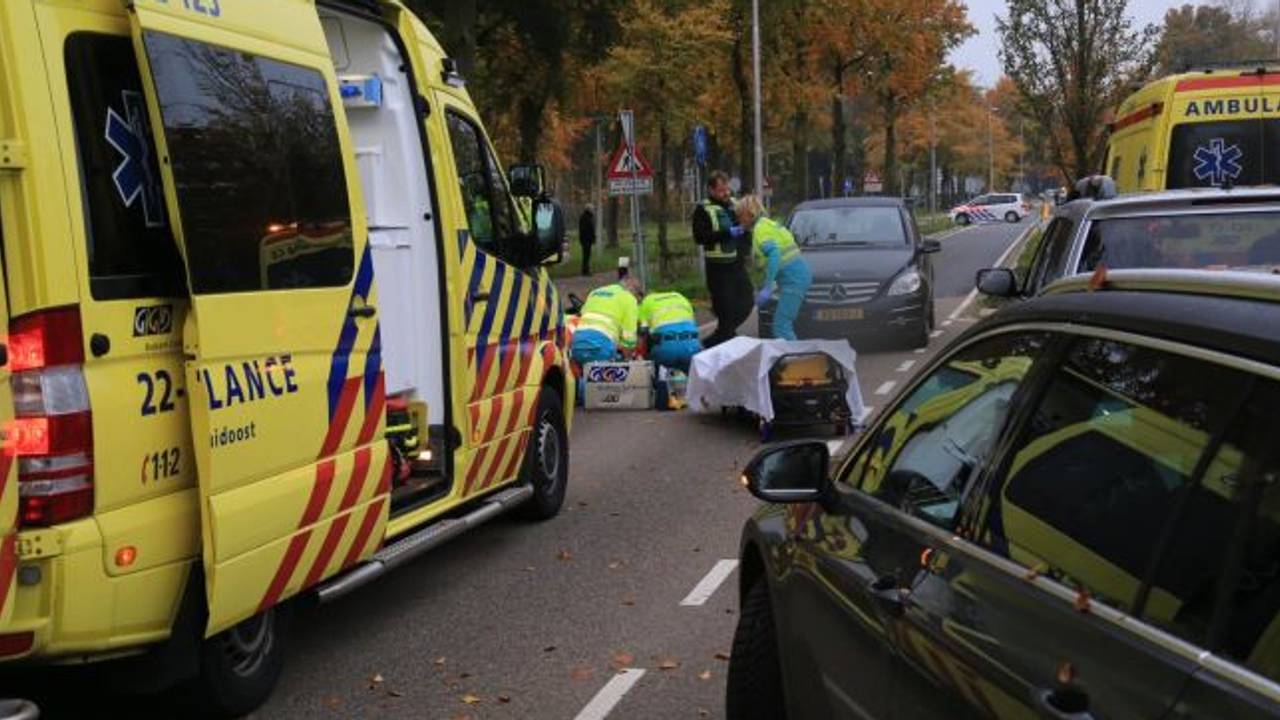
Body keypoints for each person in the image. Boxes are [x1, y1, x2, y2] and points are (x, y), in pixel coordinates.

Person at [737, 194, 812, 341]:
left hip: (793, 279)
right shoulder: (767, 224)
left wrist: (768, 286)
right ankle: (795, 359)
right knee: (783, 324)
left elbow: (775, 254)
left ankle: (798, 361)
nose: (739, 220)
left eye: (740, 216)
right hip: (797, 276)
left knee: (781, 326)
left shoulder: (760, 230)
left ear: (748, 213)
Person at [692, 170, 753, 347]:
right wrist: (727, 233)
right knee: (725, 311)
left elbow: (746, 228)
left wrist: (746, 246)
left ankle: (716, 339)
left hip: (737, 265)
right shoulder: (703, 209)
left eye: (727, 189)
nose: (726, 193)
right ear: (711, 190)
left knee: (747, 302)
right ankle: (722, 343)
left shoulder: (735, 204)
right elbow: (700, 237)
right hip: (718, 269)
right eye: (721, 190)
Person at [570, 277, 642, 365]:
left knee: (585, 374)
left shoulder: (595, 292)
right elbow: (629, 339)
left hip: (577, 344)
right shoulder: (629, 299)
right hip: (601, 348)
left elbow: (583, 314)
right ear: (634, 291)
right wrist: (629, 359)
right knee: (612, 373)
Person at [639, 290, 702, 372]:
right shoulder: (679, 296)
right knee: (692, 376)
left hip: (667, 348)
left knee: (653, 370)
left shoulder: (646, 301)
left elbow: (643, 332)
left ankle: (660, 381)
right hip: (692, 346)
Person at [578, 205, 596, 276]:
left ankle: (586, 270)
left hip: (587, 240)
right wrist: (591, 238)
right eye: (592, 209)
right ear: (589, 210)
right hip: (586, 240)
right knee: (586, 256)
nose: (593, 210)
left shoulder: (588, 217)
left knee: (587, 256)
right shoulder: (585, 218)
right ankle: (585, 271)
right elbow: (587, 230)